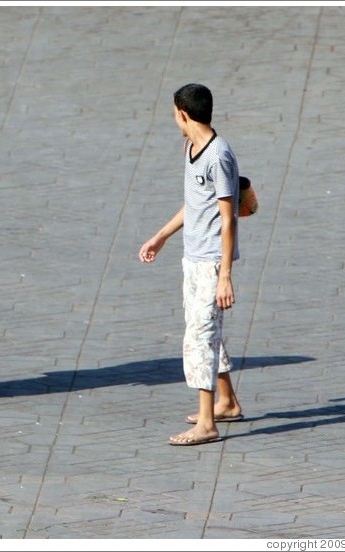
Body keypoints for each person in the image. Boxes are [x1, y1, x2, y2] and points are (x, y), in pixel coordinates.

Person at [138, 83, 244, 445]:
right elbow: (195, 204)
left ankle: (206, 423)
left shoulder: (220, 156)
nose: (174, 120)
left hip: (213, 261)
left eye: (174, 114)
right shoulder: (190, 149)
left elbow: (228, 218)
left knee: (200, 336)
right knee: (203, 327)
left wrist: (225, 276)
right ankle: (227, 402)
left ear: (183, 113)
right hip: (192, 257)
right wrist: (162, 235)